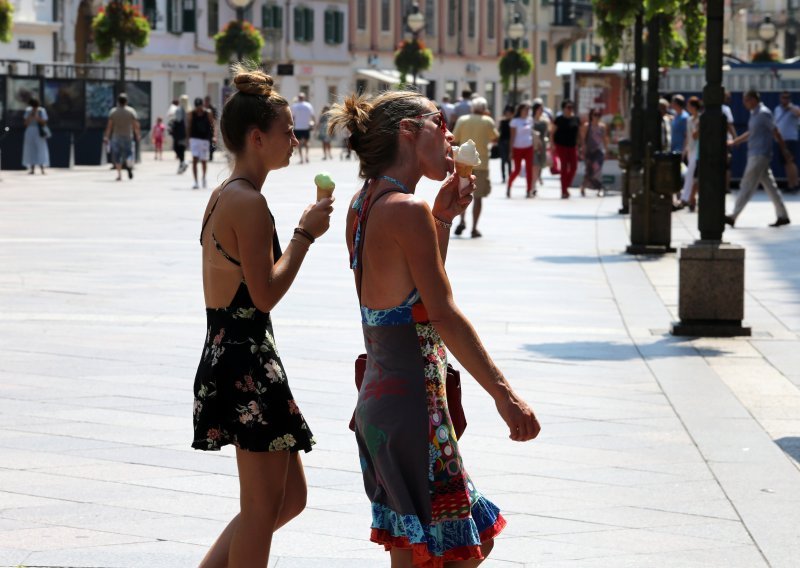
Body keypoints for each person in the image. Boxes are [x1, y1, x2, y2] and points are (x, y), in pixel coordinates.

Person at [328, 89, 540, 568]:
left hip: (385, 404)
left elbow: (410, 297)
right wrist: (503, 393)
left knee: (433, 552)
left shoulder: (364, 205)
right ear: (408, 130)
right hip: (413, 408)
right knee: (455, 552)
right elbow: (440, 311)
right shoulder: (406, 209)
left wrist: (442, 219)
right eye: (439, 123)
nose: (451, 134)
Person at [193, 64, 334, 567]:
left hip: (234, 353)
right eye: (286, 131)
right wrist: (304, 234)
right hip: (245, 360)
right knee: (260, 509)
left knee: (287, 499)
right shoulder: (249, 203)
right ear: (257, 137)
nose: (295, 139)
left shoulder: (225, 194)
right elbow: (266, 294)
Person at [726, 89, 791, 228]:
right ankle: (783, 216)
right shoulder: (755, 114)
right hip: (756, 153)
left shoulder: (764, 113)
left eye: (746, 100)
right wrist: (736, 141)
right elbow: (751, 132)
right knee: (770, 187)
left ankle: (733, 216)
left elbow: (775, 131)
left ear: (754, 99)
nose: (744, 103)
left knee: (747, 184)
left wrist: (784, 149)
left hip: (760, 154)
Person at [452, 96, 499, 238]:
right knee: (478, 198)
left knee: (462, 193)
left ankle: (461, 220)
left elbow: (455, 138)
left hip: (464, 162)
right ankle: (474, 228)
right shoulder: (488, 121)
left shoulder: (463, 119)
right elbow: (495, 138)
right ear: (484, 109)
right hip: (481, 162)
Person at [103, 93, 140, 181]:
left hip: (116, 136)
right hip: (128, 135)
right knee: (129, 153)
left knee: (117, 156)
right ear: (126, 101)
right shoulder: (131, 111)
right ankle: (129, 164)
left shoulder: (113, 112)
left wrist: (106, 137)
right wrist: (137, 134)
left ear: (118, 101)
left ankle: (119, 175)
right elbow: (135, 125)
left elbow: (109, 126)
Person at [551, 100, 580, 199]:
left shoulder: (576, 119)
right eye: (568, 107)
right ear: (563, 108)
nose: (570, 109)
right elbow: (552, 132)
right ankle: (564, 191)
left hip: (572, 146)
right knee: (563, 167)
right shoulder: (559, 119)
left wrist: (581, 144)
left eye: (571, 107)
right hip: (561, 145)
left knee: (574, 167)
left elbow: (579, 133)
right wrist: (552, 144)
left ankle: (566, 186)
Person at [578, 109, 609, 197]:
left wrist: (606, 150)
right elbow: (583, 139)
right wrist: (583, 149)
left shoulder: (602, 127)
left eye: (598, 115)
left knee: (597, 169)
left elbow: (605, 139)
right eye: (595, 115)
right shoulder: (587, 126)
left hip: (599, 151)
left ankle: (599, 188)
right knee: (589, 170)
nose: (596, 117)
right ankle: (583, 186)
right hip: (589, 151)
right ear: (591, 115)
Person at [678, 97, 702, 211]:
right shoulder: (689, 120)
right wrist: (685, 149)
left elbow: (695, 135)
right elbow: (688, 136)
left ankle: (686, 198)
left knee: (691, 174)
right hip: (691, 149)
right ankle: (689, 198)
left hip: (698, 150)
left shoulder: (701, 119)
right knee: (692, 175)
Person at [506, 102, 535, 198]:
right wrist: (511, 151)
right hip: (517, 147)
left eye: (528, 110)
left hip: (529, 147)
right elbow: (512, 137)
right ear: (520, 110)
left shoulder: (530, 120)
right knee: (517, 170)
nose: (527, 111)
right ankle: (509, 186)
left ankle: (528, 190)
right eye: (525, 109)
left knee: (529, 169)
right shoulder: (515, 121)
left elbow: (532, 134)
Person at [187, 97, 216, 189]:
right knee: (195, 160)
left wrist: (214, 136)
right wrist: (188, 139)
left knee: (204, 161)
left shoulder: (208, 113)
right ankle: (195, 181)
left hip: (205, 139)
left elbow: (213, 125)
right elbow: (189, 126)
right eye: (197, 107)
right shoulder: (192, 113)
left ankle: (203, 177)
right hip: (195, 139)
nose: (199, 109)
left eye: (200, 106)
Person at [774, 90, 800, 193]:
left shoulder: (794, 108)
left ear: (789, 99)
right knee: (786, 163)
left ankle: (795, 184)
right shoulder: (777, 109)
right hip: (781, 139)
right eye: (783, 97)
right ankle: (790, 184)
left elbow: (798, 114)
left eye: (787, 98)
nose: (785, 99)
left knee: (790, 161)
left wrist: (790, 108)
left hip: (790, 139)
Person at [22, 97, 50, 175]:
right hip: (30, 131)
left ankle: (42, 168)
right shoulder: (28, 111)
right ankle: (32, 168)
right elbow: (25, 123)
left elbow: (44, 122)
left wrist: (37, 117)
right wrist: (31, 116)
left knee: (41, 149)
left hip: (39, 131)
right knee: (30, 149)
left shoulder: (41, 111)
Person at [290, 92, 315, 164]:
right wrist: (314, 124)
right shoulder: (308, 105)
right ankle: (307, 156)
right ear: (304, 98)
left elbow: (292, 117)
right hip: (306, 127)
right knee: (307, 143)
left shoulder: (294, 106)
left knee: (299, 144)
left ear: (298, 98)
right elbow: (312, 116)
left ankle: (301, 159)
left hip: (298, 127)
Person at [532, 102, 549, 189]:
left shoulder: (545, 121)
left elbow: (547, 133)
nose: (541, 111)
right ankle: (533, 186)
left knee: (540, 164)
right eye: (540, 109)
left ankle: (536, 179)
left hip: (542, 145)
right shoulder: (530, 120)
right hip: (533, 145)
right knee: (535, 165)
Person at [171, 95, 189, 174]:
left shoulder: (179, 109)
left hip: (180, 132)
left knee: (176, 148)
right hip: (186, 132)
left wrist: (172, 118)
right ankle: (182, 164)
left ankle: (183, 162)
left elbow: (177, 120)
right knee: (182, 149)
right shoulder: (189, 109)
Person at [497, 104, 514, 183]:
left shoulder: (513, 121)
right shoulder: (502, 121)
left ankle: (510, 176)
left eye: (510, 112)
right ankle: (504, 177)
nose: (508, 113)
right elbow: (498, 131)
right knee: (503, 160)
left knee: (509, 160)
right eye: (507, 112)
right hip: (503, 141)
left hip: (510, 142)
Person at [204, 95, 219, 162]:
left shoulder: (213, 108)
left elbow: (215, 119)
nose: (206, 102)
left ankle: (211, 155)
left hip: (211, 128)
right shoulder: (203, 108)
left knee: (211, 143)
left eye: (207, 101)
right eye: (206, 101)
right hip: (204, 128)